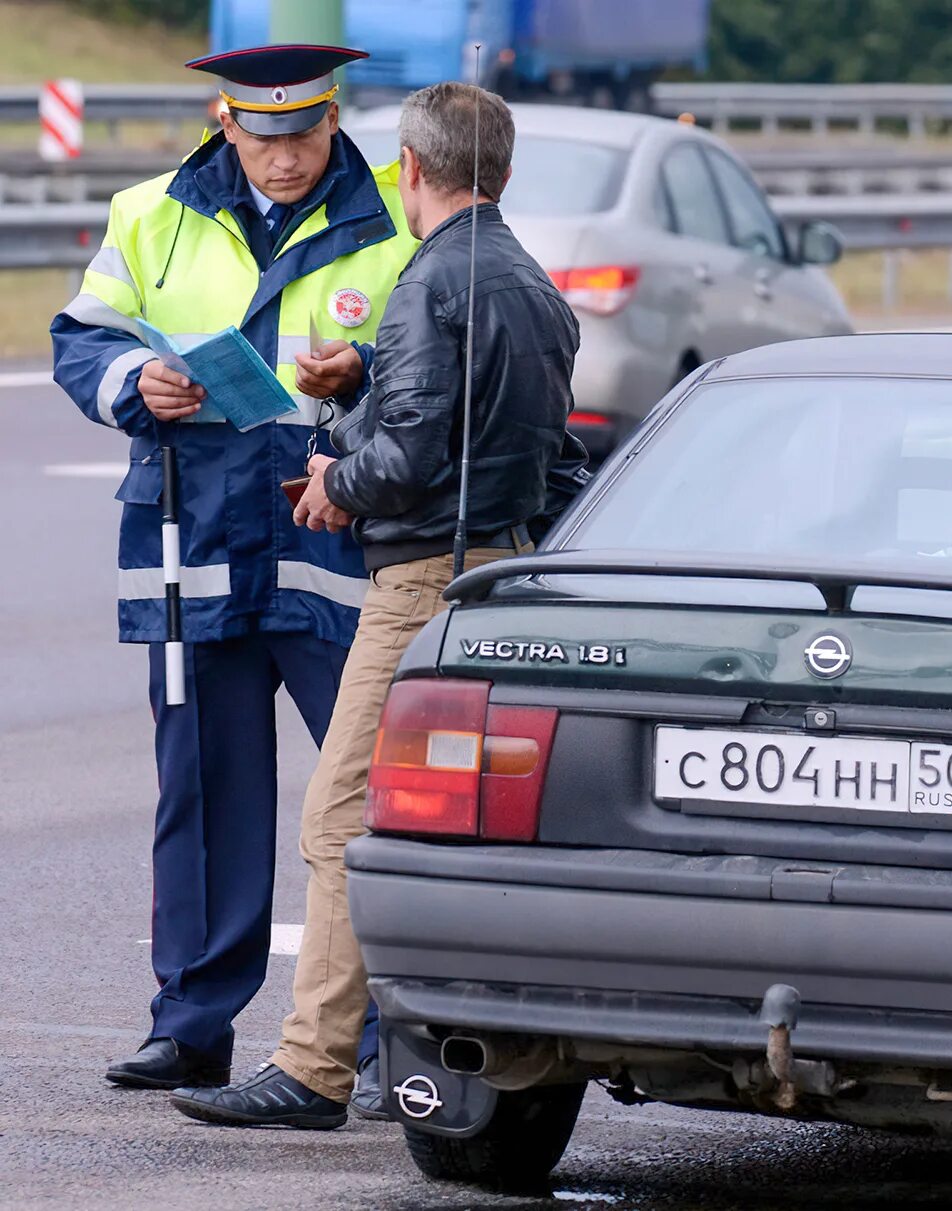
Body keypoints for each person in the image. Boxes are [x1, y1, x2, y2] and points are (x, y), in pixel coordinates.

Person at [171, 81, 584, 1130]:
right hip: (503, 571)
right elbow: (518, 446)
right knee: (445, 826)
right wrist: (363, 387)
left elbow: (412, 451)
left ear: (410, 167)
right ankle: (422, 1046)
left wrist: (331, 478)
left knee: (341, 817)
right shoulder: (531, 285)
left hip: (416, 584)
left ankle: (313, 1066)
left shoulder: (430, 279)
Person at [50, 45, 417, 1100]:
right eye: (265, 139)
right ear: (225, 124)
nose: (287, 158)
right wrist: (135, 380)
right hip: (193, 543)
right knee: (203, 794)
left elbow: (437, 355)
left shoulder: (392, 216)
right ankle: (191, 1022)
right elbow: (82, 337)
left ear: (332, 120)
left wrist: (366, 371)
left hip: (332, 545)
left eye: (304, 135)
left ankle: (386, 1030)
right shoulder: (151, 212)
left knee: (371, 801)